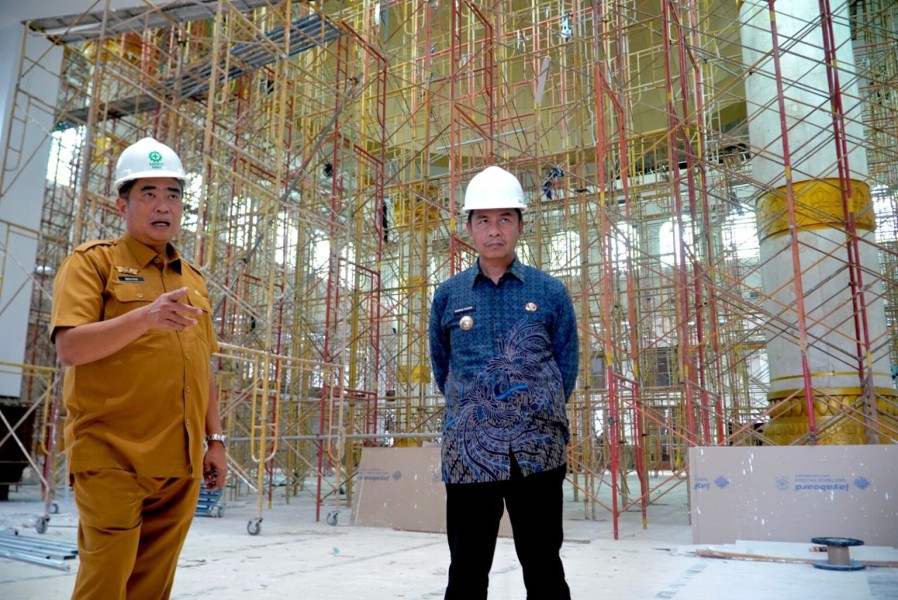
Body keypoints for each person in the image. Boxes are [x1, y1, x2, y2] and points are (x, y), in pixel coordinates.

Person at [50, 137, 227, 600]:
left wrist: (216, 441)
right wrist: (145, 316)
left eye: (173, 194)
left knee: (152, 589)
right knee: (105, 586)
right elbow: (69, 347)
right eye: (148, 193)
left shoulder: (193, 280)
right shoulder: (93, 263)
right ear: (122, 203)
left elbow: (203, 366)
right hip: (113, 458)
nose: (163, 205)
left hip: (181, 463)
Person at [429, 165, 579, 599]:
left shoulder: (550, 292)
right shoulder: (448, 295)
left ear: (520, 224)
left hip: (537, 454)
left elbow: (565, 366)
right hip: (469, 455)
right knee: (467, 571)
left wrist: (535, 412)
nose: (494, 231)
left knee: (544, 566)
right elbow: (444, 369)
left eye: (504, 219)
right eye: (483, 220)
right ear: (469, 228)